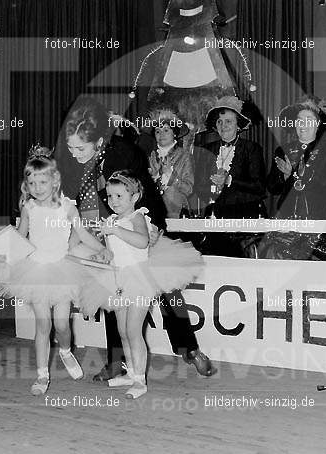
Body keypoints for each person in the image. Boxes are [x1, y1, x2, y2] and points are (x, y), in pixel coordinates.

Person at [55, 98, 216, 381]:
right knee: (113, 293)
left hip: (139, 226)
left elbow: (141, 194)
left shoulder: (122, 153)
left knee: (165, 289)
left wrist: (145, 228)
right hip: (107, 231)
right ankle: (118, 362)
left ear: (100, 140)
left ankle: (189, 349)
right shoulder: (81, 157)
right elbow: (79, 196)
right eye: (71, 147)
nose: (74, 153)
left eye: (80, 148)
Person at [0, 150, 110, 395]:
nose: (37, 187)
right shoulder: (29, 207)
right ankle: (42, 375)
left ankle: (66, 351)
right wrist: (3, 255)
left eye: (42, 182)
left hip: (62, 270)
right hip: (35, 270)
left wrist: (101, 249)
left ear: (54, 181)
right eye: (32, 182)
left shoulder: (67, 208)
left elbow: (84, 234)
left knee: (61, 324)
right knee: (43, 324)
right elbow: (21, 236)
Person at [79, 170, 203, 399]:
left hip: (139, 281)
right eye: (109, 196)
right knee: (123, 331)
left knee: (134, 331)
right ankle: (131, 372)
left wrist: (115, 229)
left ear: (134, 197)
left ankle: (140, 381)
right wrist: (102, 255)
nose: (113, 201)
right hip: (118, 282)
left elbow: (141, 241)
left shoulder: (137, 217)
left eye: (119, 196)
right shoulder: (111, 221)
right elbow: (112, 252)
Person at [268, 96, 326, 220]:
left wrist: (300, 175)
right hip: (289, 215)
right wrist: (285, 176)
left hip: (323, 216)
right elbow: (272, 187)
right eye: (299, 120)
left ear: (318, 124)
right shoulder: (282, 151)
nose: (303, 125)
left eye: (308, 120)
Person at [193, 95, 267, 219]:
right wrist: (212, 188)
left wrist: (229, 181)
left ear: (238, 125)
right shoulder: (206, 149)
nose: (223, 126)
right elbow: (198, 185)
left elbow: (259, 187)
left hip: (245, 214)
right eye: (219, 122)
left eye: (228, 121)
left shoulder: (252, 149)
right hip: (214, 213)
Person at [146, 108, 194, 218]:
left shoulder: (185, 156)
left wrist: (170, 176)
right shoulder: (151, 157)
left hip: (177, 210)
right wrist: (153, 177)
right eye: (158, 131)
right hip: (153, 212)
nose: (161, 134)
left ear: (175, 133)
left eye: (166, 130)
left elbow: (188, 189)